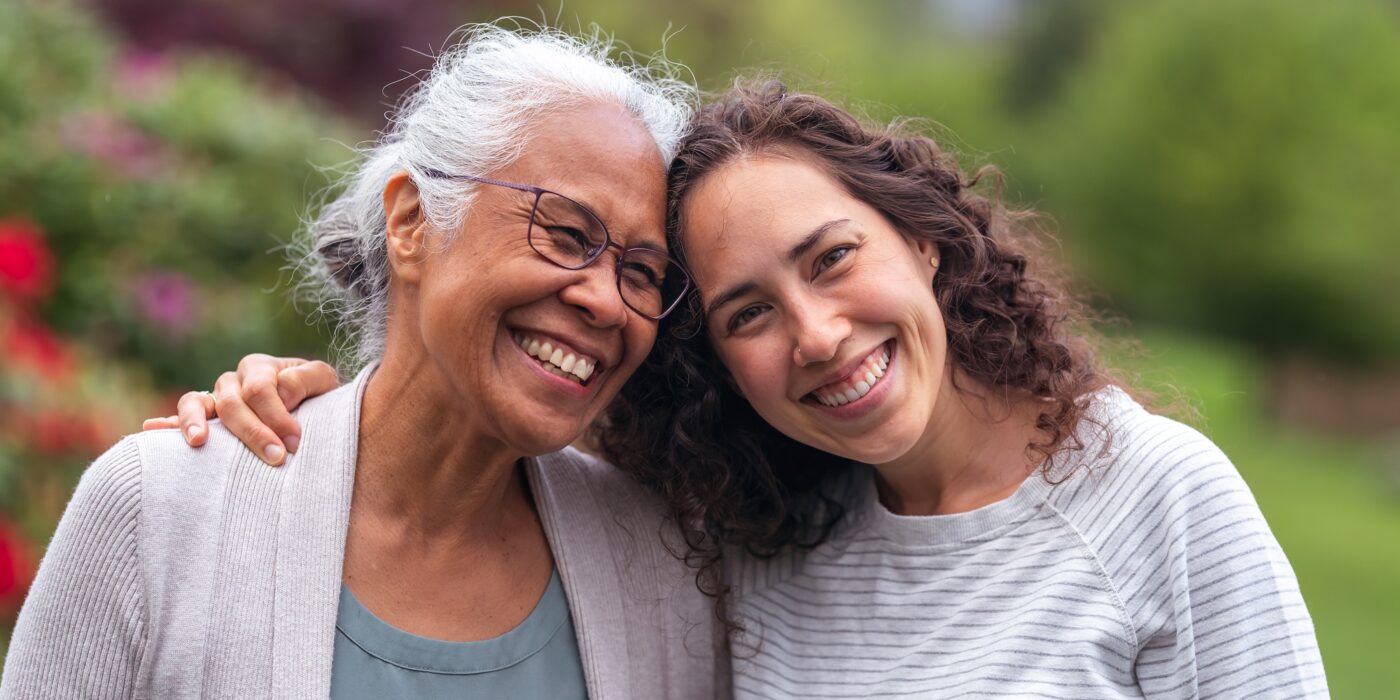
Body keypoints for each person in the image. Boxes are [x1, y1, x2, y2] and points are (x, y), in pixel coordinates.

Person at [154, 82, 1328, 697]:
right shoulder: (753, 534)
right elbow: (504, 409)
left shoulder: (1156, 501)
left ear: (920, 240)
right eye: (746, 314)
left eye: (831, 259)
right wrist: (297, 404)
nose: (816, 336)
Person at [1, 25, 728, 699]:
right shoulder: (161, 512)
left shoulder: (662, 570)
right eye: (567, 234)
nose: (606, 301)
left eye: (642, 273)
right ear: (411, 221)